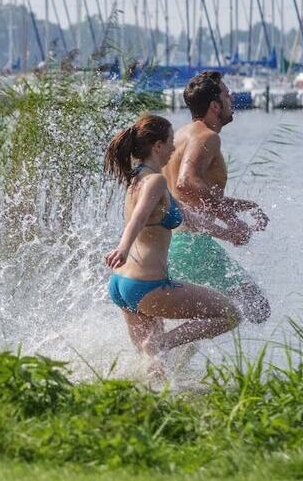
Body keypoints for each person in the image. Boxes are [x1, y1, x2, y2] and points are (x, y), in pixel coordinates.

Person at [103, 114, 241, 370]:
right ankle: (161, 343)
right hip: (148, 285)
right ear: (157, 146)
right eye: (170, 142)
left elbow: (190, 218)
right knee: (230, 314)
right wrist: (122, 248)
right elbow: (139, 216)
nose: (174, 148)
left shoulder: (138, 179)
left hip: (122, 284)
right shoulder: (156, 181)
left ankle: (153, 403)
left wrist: (229, 232)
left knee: (154, 366)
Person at [162, 71, 272, 324]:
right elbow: (187, 182)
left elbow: (189, 196)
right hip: (193, 245)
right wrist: (232, 221)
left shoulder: (180, 136)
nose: (231, 98)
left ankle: (164, 359)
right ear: (215, 105)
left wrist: (247, 206)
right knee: (258, 307)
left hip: (172, 242)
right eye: (226, 94)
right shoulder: (207, 136)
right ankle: (162, 351)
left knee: (202, 316)